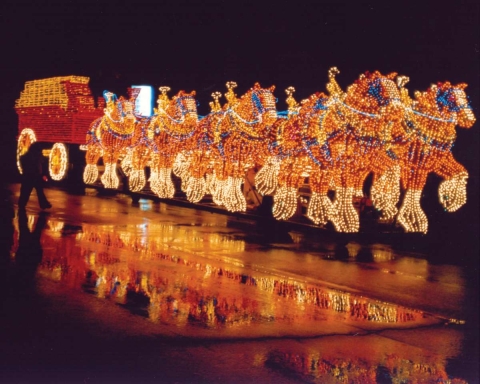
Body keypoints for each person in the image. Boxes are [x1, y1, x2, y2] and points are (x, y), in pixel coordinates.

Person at [18, 142, 52, 210]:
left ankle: (22, 203)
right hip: (33, 176)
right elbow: (38, 166)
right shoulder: (34, 157)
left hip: (30, 176)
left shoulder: (28, 156)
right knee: (33, 190)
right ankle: (42, 203)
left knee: (27, 190)